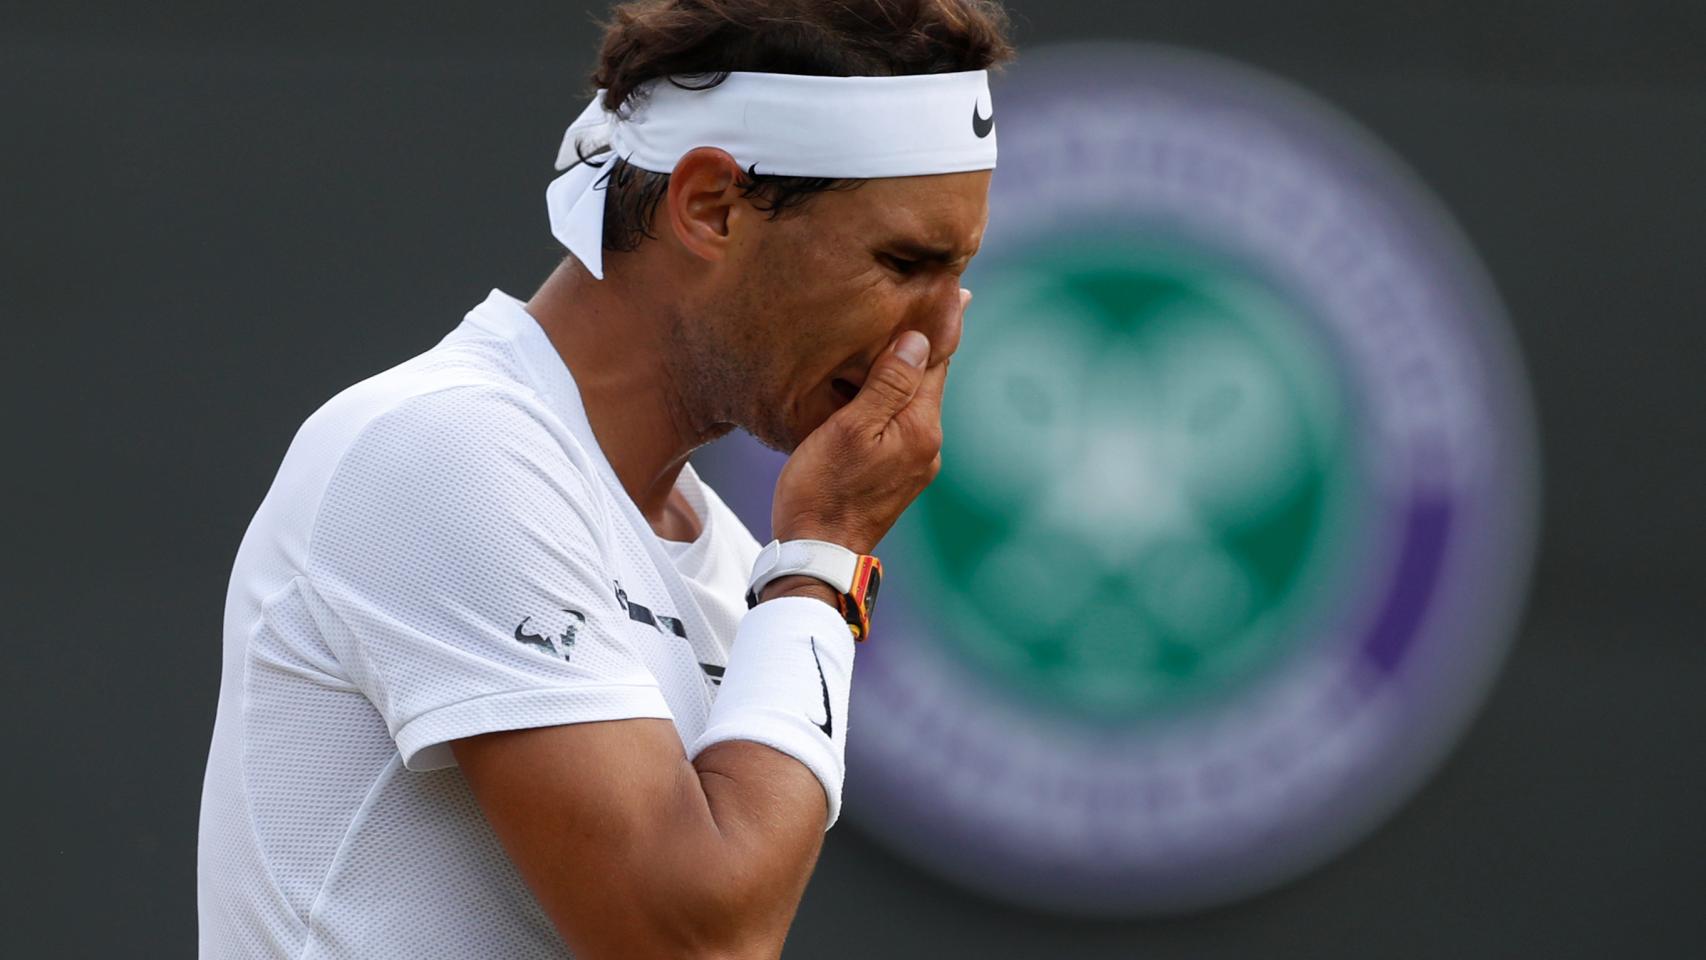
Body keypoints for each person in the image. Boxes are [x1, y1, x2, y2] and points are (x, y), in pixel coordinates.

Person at [196, 0, 1014, 957]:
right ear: (709, 205)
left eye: (956, 275)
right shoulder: (444, 448)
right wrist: (824, 558)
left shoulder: (728, 560)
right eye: (905, 261)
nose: (941, 333)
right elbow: (693, 937)